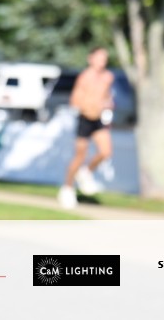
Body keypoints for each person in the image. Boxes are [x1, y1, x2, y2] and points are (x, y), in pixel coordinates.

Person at [58, 46, 114, 208]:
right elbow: (75, 99)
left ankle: (86, 172)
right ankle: (67, 188)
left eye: (104, 58)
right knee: (80, 156)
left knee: (105, 152)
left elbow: (107, 96)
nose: (102, 61)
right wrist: (86, 107)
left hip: (99, 119)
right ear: (91, 59)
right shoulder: (85, 77)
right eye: (99, 58)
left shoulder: (108, 77)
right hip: (85, 119)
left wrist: (107, 105)